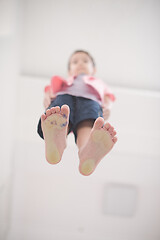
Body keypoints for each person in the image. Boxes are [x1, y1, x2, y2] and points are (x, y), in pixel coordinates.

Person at [37, 50, 117, 176]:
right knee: (61, 114)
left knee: (88, 124)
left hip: (91, 99)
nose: (80, 63)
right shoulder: (65, 81)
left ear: (93, 70)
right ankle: (58, 140)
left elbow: (109, 96)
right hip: (65, 95)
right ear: (69, 71)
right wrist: (47, 96)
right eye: (75, 62)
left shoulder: (99, 82)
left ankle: (87, 151)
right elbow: (49, 90)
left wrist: (108, 106)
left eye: (85, 61)